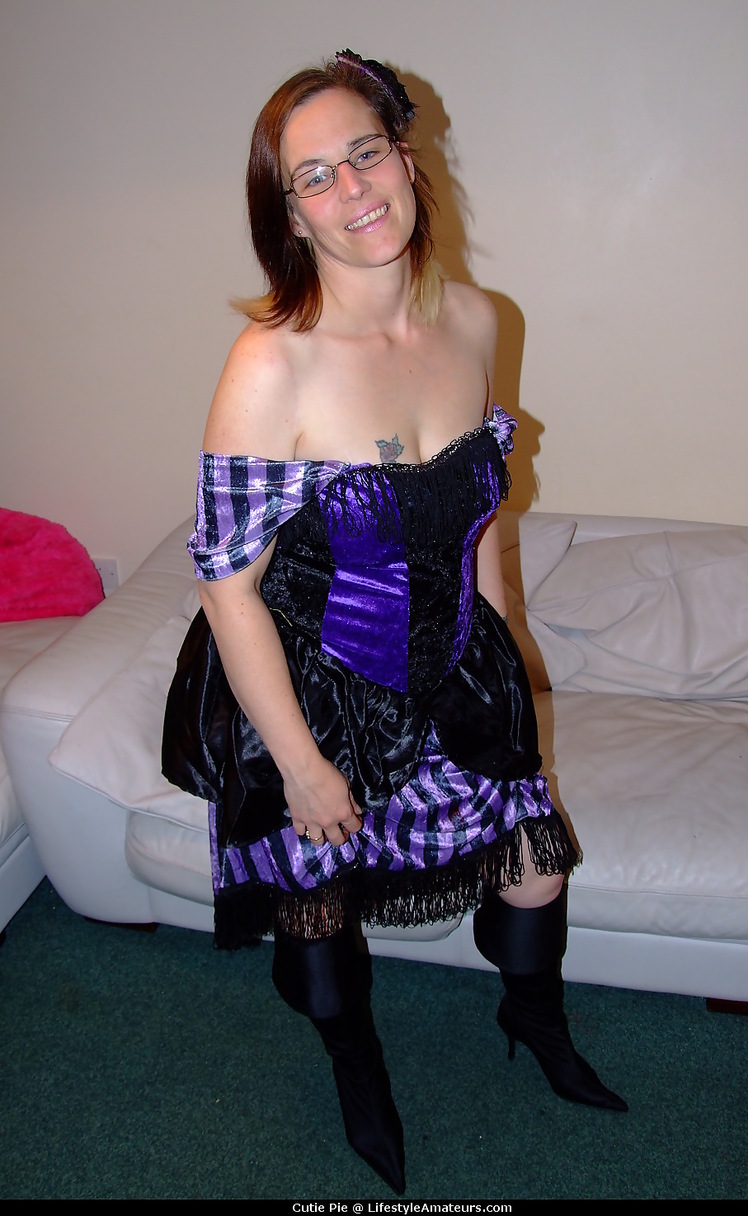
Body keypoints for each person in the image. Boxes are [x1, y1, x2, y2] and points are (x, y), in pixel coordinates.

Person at [162, 49, 626, 1195]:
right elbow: (228, 586)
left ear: (406, 161)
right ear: (289, 215)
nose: (351, 188)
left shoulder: (475, 319)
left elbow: (476, 522)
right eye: (313, 176)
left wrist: (510, 667)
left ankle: (534, 1017)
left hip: (457, 658)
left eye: (364, 153)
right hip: (311, 683)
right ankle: (356, 1067)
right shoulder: (269, 365)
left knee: (533, 868)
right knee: (320, 920)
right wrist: (301, 765)